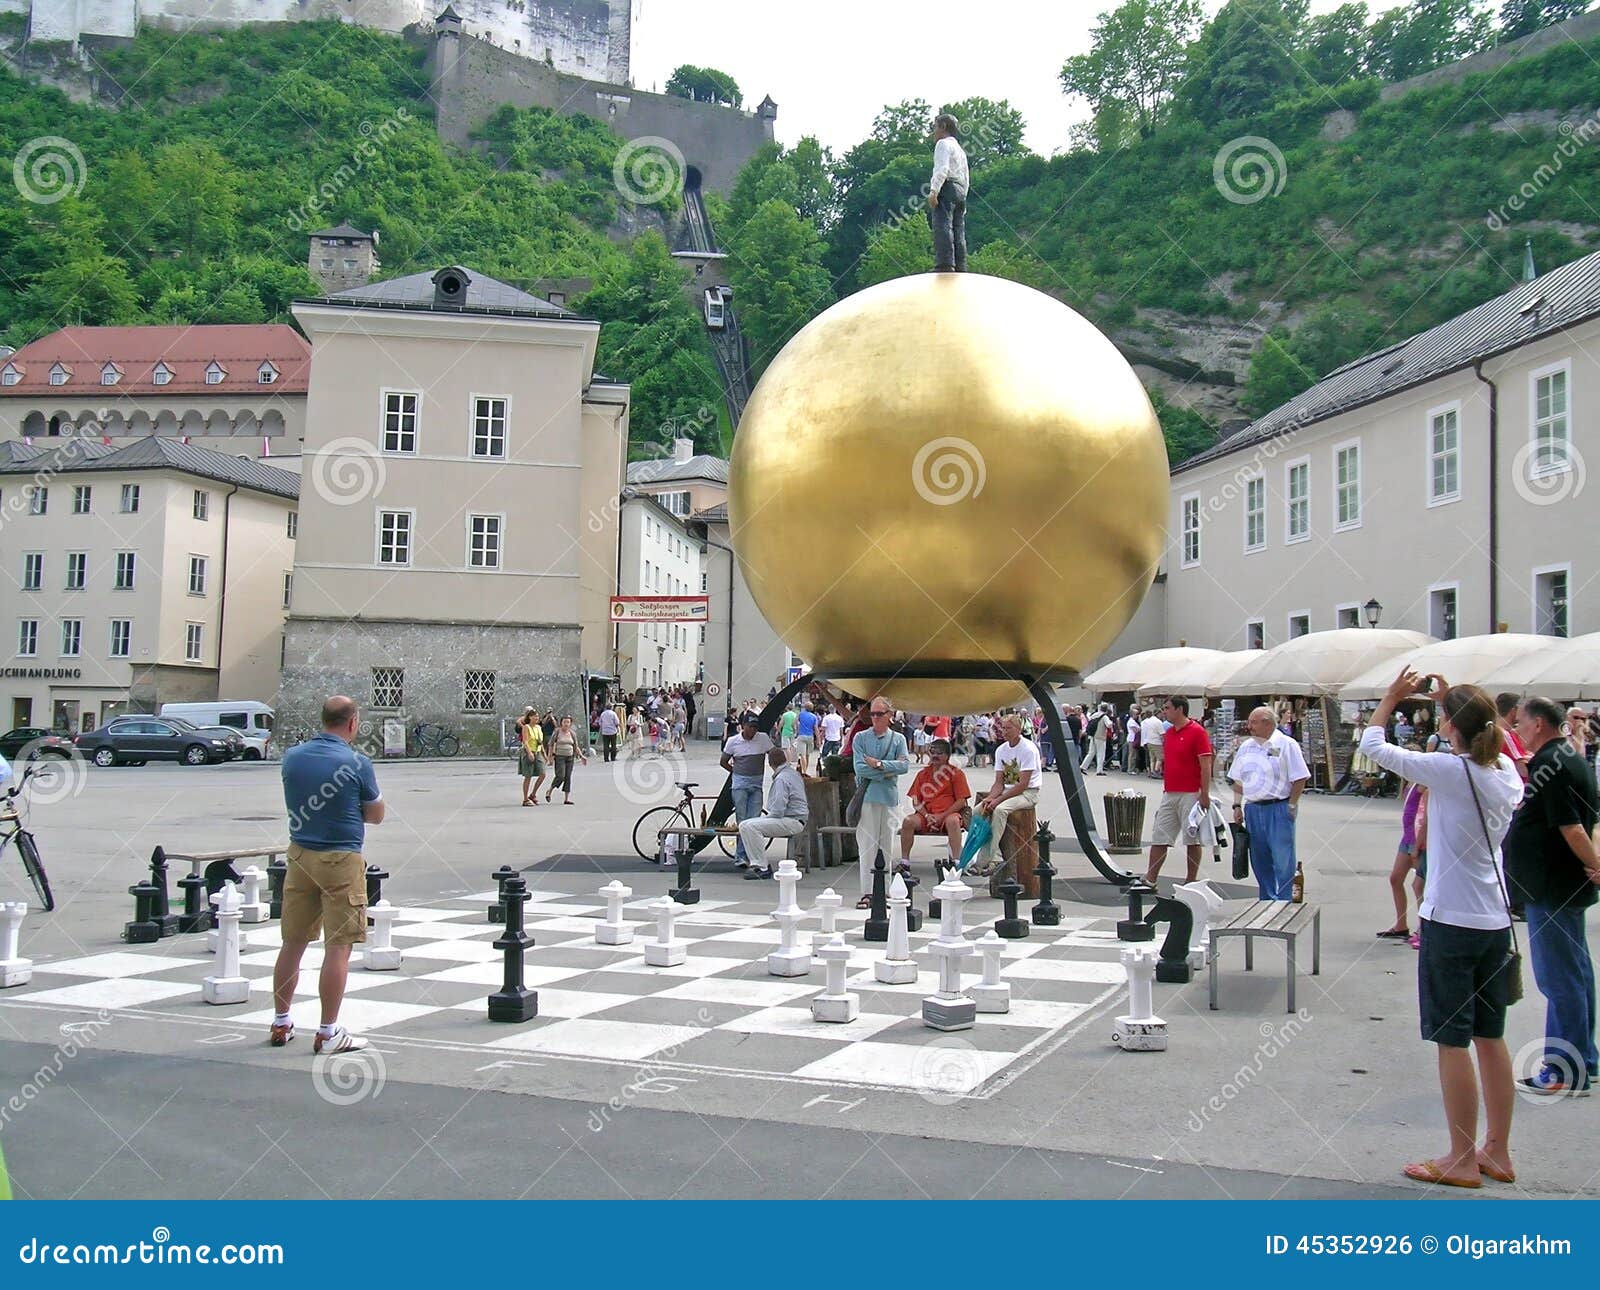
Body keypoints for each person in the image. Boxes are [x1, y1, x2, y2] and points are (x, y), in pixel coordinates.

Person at [1361, 671, 1524, 1188]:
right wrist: (1454, 703)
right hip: (1494, 920)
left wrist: (1390, 699)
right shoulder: (1505, 774)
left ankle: (1458, 1156)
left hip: (1451, 920)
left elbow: (1374, 745)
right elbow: (1497, 738)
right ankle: (1496, 1149)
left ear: (1449, 726)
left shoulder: (1451, 772)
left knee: (1451, 1042)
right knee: (1490, 1038)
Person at [272, 695, 385, 1054]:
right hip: (341, 857)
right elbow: (376, 813)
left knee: (292, 943)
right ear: (353, 723)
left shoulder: (292, 757)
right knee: (339, 947)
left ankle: (281, 1021)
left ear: (323, 720)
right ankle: (328, 1030)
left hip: (300, 854)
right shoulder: (356, 762)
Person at [1506, 696, 1600, 1096]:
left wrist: (1596, 865)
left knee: (1559, 977)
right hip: (1561, 883)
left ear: (1540, 723)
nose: (1518, 728)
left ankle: (1565, 1068)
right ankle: (1583, 1057)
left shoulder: (1552, 762)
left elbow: (1572, 827)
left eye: (1522, 722)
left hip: (1551, 885)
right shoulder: (1570, 755)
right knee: (1575, 970)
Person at [1228, 705, 1310, 901]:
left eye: (1253, 722)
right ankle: (1267, 899)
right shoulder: (1247, 746)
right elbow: (1237, 779)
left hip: (1278, 807)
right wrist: (1237, 805)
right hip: (1254, 809)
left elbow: (1300, 777)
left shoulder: (1286, 744)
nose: (1249, 727)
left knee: (1283, 859)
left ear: (1267, 723)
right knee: (1259, 859)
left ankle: (1284, 901)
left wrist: (1292, 804)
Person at [1145, 696, 1213, 887]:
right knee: (1160, 835)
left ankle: (1191, 880)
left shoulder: (1197, 732)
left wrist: (1205, 793)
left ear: (1180, 709)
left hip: (1191, 793)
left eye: (1167, 708)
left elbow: (1206, 764)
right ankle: (1151, 878)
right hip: (1170, 791)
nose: (1164, 711)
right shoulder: (1169, 733)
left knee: (1191, 839)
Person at [852, 697, 910, 908]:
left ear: (889, 716)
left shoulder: (898, 739)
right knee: (867, 846)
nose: (874, 718)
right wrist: (886, 771)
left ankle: (884, 891)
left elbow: (904, 766)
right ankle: (867, 892)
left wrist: (878, 764)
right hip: (867, 797)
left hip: (889, 799)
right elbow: (860, 768)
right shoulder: (860, 738)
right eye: (872, 714)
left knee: (887, 847)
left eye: (879, 714)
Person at [968, 714, 1041, 880]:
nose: (1005, 732)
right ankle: (994, 857)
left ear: (1018, 729)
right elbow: (999, 782)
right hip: (1007, 792)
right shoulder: (1001, 750)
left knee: (1000, 811)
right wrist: (990, 798)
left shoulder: (1028, 749)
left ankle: (984, 862)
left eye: (1009, 728)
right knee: (978, 811)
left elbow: (1023, 784)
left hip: (1027, 793)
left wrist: (997, 800)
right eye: (1003, 728)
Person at [900, 737, 971, 878]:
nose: (935, 756)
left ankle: (957, 863)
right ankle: (905, 862)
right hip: (927, 815)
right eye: (932, 752)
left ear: (947, 756)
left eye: (939, 753)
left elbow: (961, 801)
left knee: (953, 821)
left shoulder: (956, 773)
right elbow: (915, 801)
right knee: (908, 821)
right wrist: (927, 816)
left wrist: (941, 816)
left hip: (949, 814)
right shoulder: (922, 774)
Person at [737, 748, 809, 880]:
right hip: (797, 819)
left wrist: (765, 819)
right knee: (745, 825)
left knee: (749, 826)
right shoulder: (793, 774)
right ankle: (756, 862)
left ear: (770, 764)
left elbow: (778, 809)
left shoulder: (781, 779)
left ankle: (761, 866)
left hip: (791, 820)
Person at [721, 714, 774, 869]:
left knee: (754, 821)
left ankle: (750, 855)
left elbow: (773, 755)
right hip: (740, 785)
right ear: (743, 726)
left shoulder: (763, 739)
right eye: (750, 727)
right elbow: (723, 761)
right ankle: (741, 856)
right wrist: (735, 771)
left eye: (755, 727)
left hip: (756, 784)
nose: (752, 730)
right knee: (742, 821)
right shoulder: (733, 742)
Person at [1379, 779, 1428, 941]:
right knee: (1395, 878)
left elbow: (1425, 816)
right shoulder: (1410, 783)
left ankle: (1424, 929)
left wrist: (1419, 842)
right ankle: (1401, 925)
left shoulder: (1423, 783)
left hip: (1416, 838)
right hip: (1407, 837)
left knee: (1420, 885)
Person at [926, 112, 968, 272]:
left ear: (943, 127)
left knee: (942, 224)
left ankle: (945, 264)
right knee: (958, 228)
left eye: (935, 127)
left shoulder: (943, 144)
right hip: (960, 190)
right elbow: (966, 176)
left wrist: (934, 191)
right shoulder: (960, 150)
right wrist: (963, 199)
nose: (933, 132)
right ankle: (960, 265)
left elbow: (942, 169)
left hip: (947, 186)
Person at [547, 715, 586, 804]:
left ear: (571, 723)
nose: (566, 724)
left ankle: (566, 798)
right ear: (561, 723)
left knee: (568, 777)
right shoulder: (557, 732)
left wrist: (581, 756)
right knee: (560, 776)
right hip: (559, 756)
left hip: (570, 757)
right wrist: (550, 758)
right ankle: (550, 790)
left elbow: (575, 746)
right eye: (564, 722)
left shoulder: (572, 733)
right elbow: (551, 745)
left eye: (568, 722)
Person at [517, 706, 547, 806]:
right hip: (528, 752)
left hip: (537, 752)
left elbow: (540, 742)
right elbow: (525, 741)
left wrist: (545, 754)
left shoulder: (538, 728)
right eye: (534, 716)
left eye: (537, 716)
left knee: (542, 774)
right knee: (528, 775)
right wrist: (529, 753)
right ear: (529, 717)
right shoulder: (526, 727)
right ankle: (525, 799)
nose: (536, 718)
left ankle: (533, 794)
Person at [794, 702, 819, 774]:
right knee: (807, 755)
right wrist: (818, 739)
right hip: (810, 736)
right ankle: (805, 770)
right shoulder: (814, 717)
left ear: (805, 707)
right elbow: (816, 729)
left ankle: (804, 771)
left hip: (801, 736)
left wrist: (797, 729)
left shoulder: (801, 714)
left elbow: (795, 722)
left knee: (802, 755)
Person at [1141, 707, 1165, 778]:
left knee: (1152, 758)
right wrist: (1163, 741)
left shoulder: (1147, 721)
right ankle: (1156, 771)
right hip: (1156, 742)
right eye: (1161, 714)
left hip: (1149, 741)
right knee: (1160, 758)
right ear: (1158, 714)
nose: (1162, 715)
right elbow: (1162, 734)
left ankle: (1152, 771)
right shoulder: (1158, 722)